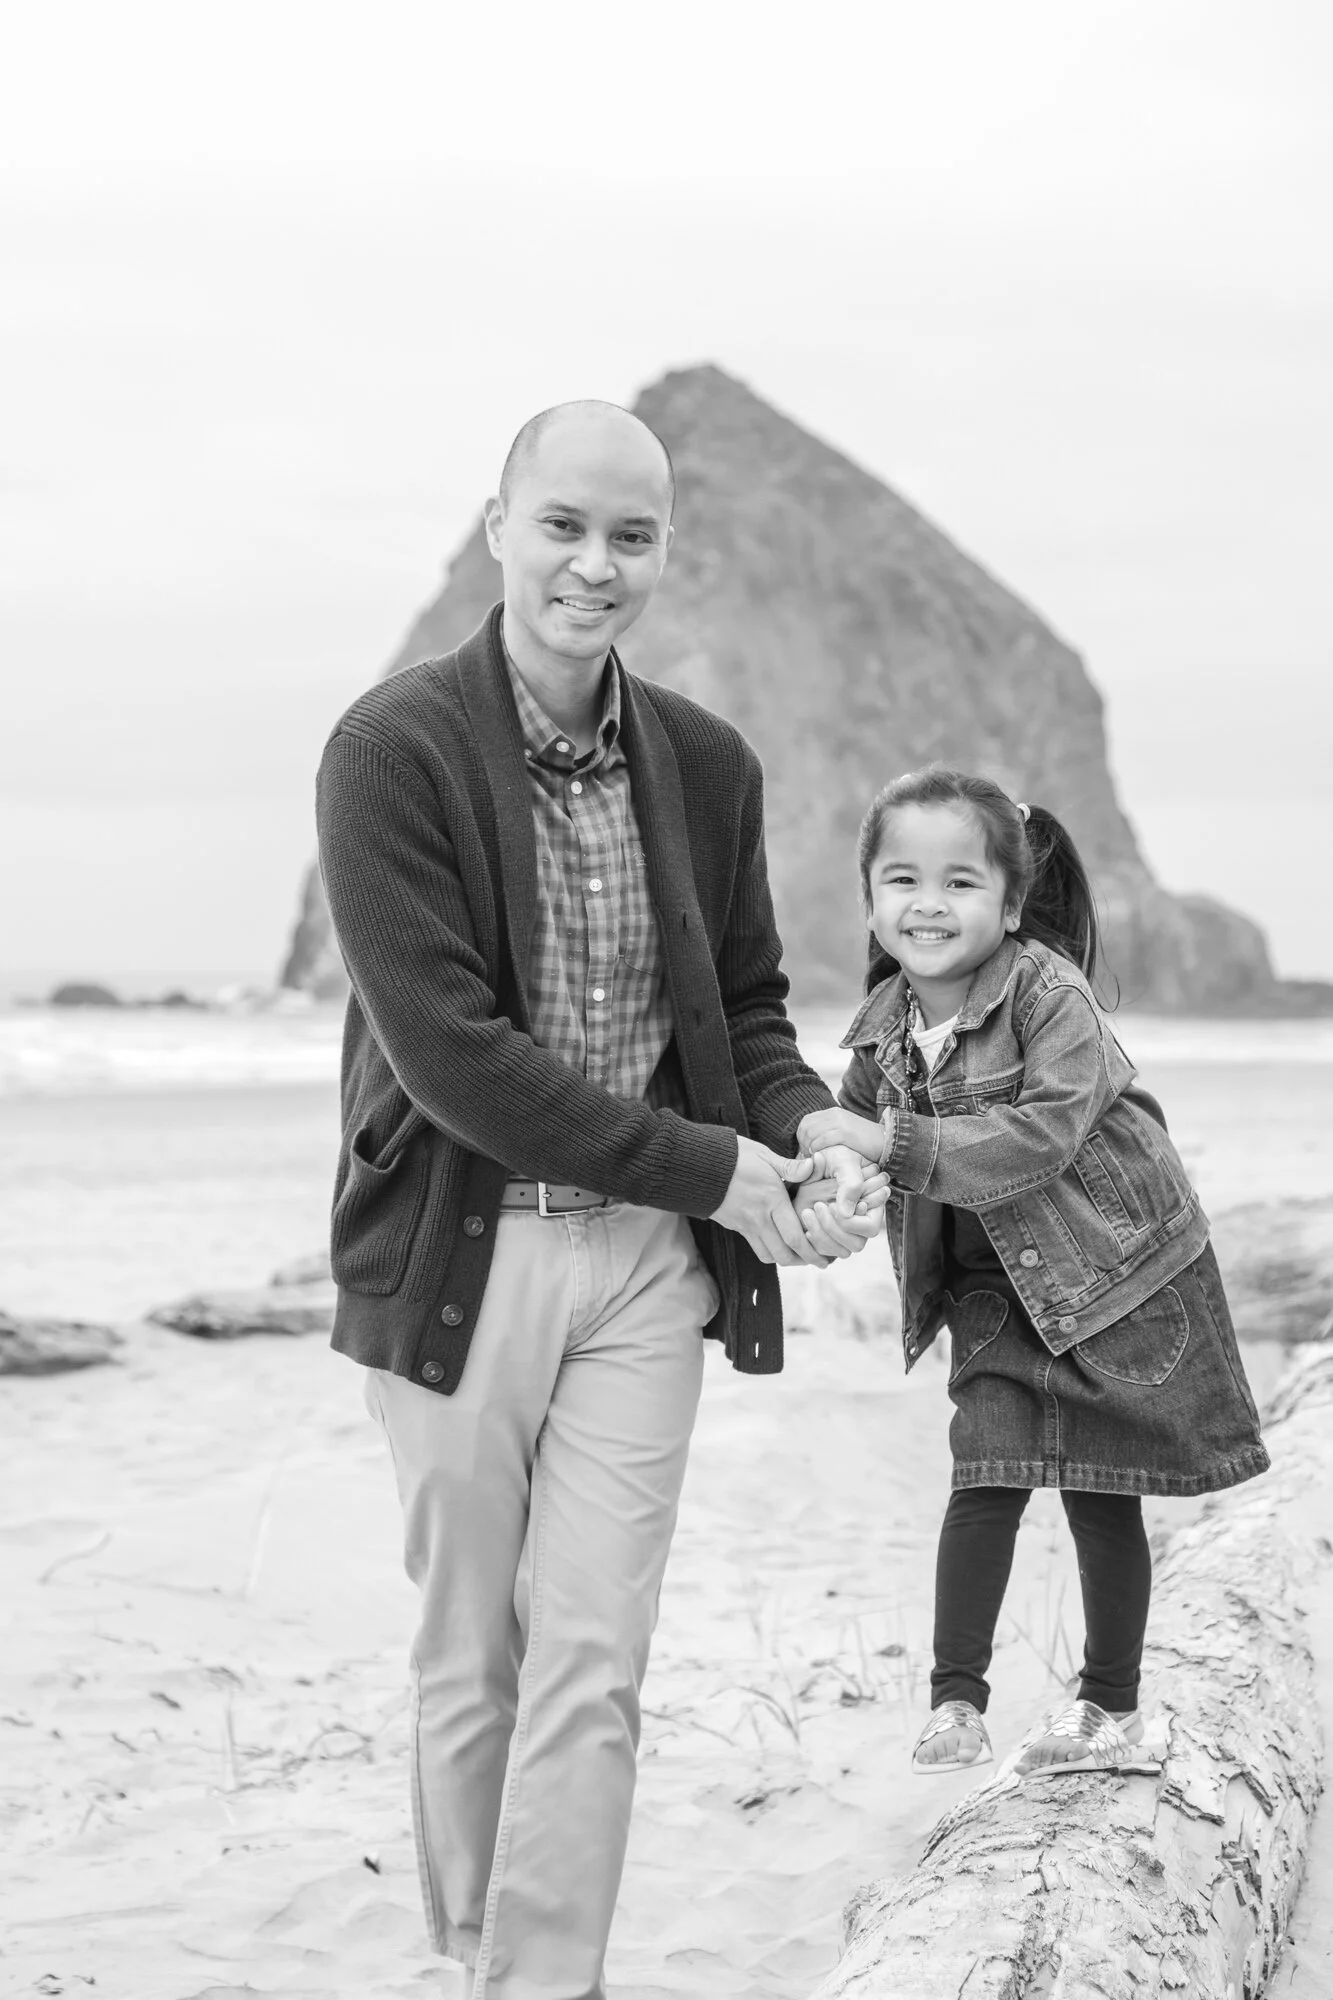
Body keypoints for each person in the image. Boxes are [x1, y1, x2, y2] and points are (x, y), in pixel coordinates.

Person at [315, 399, 885, 1997]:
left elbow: (746, 1017)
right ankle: (475, 1956)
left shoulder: (706, 765)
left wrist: (814, 1134)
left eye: (631, 535)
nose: (594, 564)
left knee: (594, 1660)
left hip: (645, 1271)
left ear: (664, 551)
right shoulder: (388, 753)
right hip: (459, 1256)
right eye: (563, 524)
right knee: (470, 1654)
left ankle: (542, 1981)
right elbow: (455, 1058)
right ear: (499, 528)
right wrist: (719, 1171)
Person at [798, 767, 1268, 1778]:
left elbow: (1043, 1134)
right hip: (989, 1289)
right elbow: (853, 1140)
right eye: (902, 879)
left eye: (960, 881)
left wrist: (886, 1142)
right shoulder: (881, 1030)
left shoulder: (1050, 996)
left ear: (1010, 905)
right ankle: (954, 1702)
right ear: (869, 902)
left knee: (1102, 1489)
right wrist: (836, 1190)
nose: (928, 903)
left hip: (1113, 1278)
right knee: (984, 1474)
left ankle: (1110, 1706)